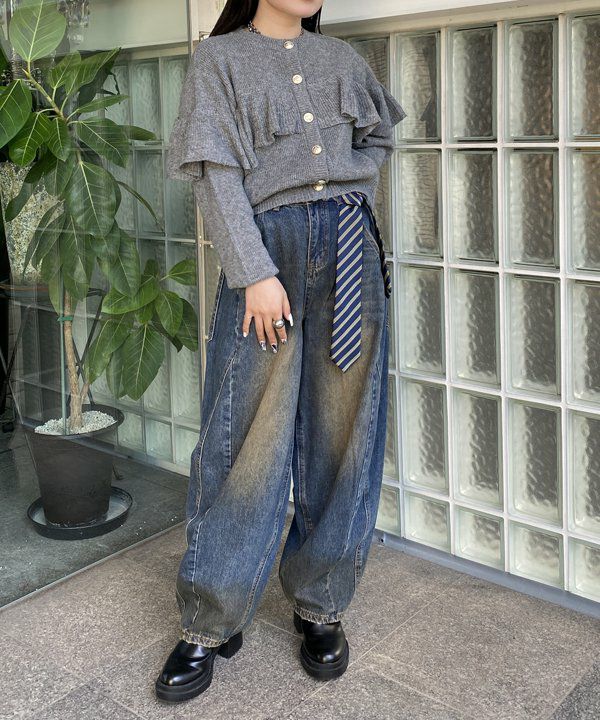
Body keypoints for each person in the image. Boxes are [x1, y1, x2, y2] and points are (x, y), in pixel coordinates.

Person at [155, 0, 406, 703]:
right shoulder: (219, 59)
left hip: (350, 252)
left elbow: (377, 140)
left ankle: (321, 605)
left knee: (344, 433)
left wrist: (352, 205)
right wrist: (253, 271)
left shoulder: (342, 61)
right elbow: (215, 173)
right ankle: (210, 619)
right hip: (268, 255)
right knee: (245, 438)